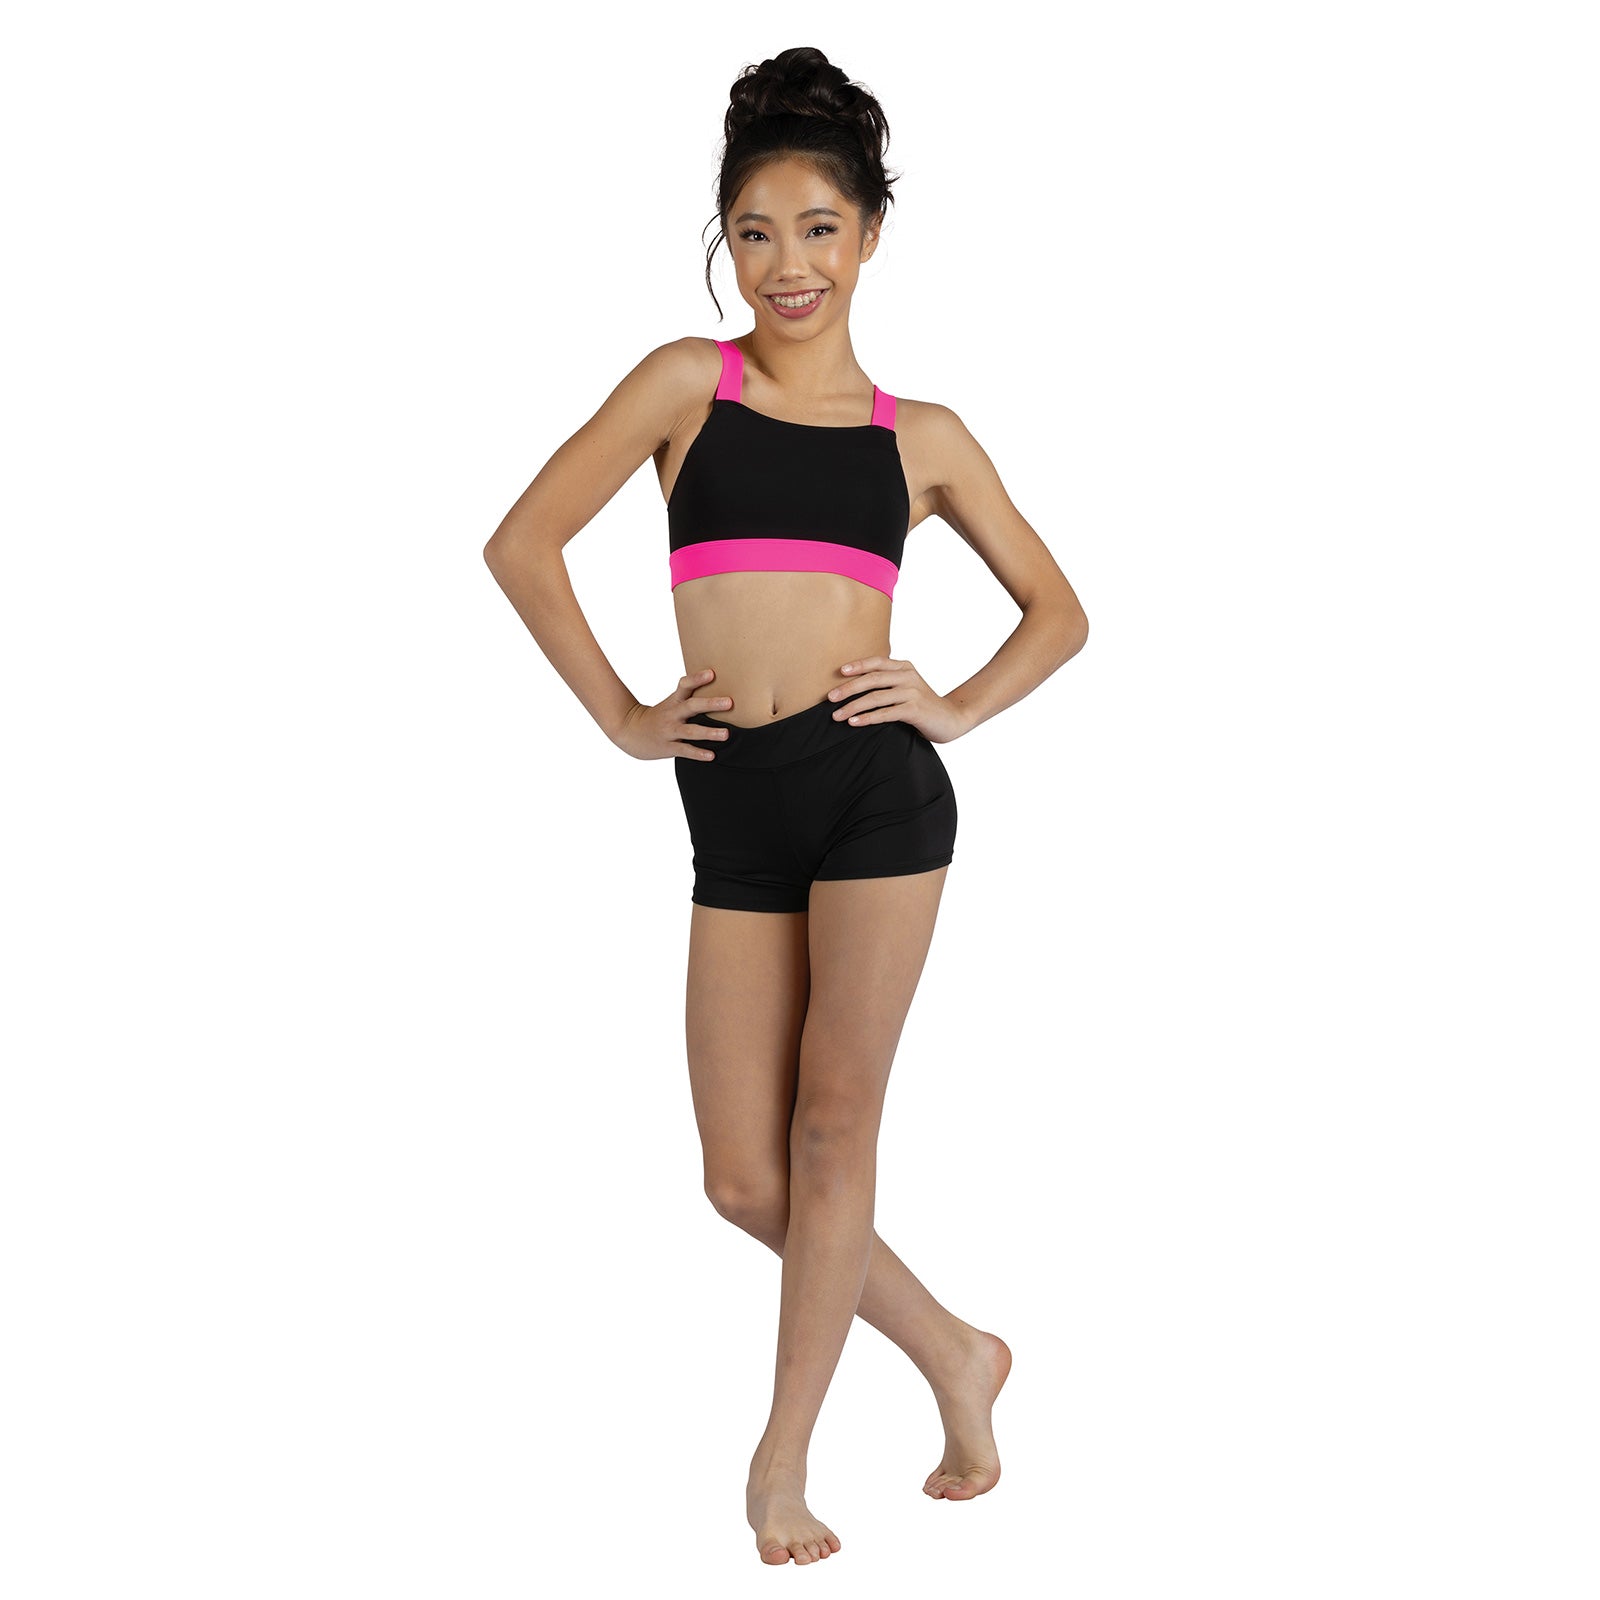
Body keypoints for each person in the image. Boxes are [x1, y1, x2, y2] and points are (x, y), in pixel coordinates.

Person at [483, 45, 1089, 1567]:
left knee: (832, 1129)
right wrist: (625, 716)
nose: (787, 264)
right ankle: (957, 1351)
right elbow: (522, 543)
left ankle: (782, 1463)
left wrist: (954, 704)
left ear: (870, 234)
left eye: (819, 227)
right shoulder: (687, 385)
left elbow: (1060, 613)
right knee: (744, 1177)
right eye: (755, 233)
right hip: (732, 807)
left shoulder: (919, 437)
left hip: (876, 795)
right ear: (727, 244)